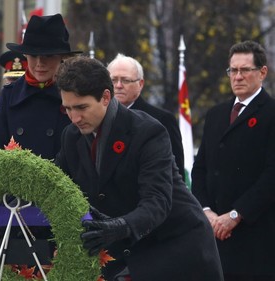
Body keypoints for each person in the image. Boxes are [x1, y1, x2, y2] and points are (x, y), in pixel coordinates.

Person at [55, 56, 223, 281]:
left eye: (82, 107)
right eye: (68, 109)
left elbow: (157, 202)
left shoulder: (148, 132)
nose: (74, 118)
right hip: (125, 256)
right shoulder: (71, 136)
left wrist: (119, 227)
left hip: (174, 251)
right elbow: (58, 186)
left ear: (106, 97)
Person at [0, 13, 81, 273]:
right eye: (33, 55)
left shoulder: (74, 97)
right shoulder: (9, 96)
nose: (40, 63)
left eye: (48, 56)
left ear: (61, 58)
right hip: (17, 208)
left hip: (61, 207)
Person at [192, 40, 275, 280]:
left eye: (245, 70)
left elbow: (271, 176)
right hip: (214, 235)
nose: (237, 77)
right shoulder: (216, 114)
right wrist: (206, 211)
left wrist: (235, 215)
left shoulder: (270, 114)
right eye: (233, 70)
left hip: (255, 237)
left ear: (262, 72)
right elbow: (201, 169)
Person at [107, 53, 185, 179]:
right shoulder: (98, 117)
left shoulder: (162, 119)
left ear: (141, 84)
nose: (118, 85)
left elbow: (175, 171)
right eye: (113, 80)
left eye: (125, 80)